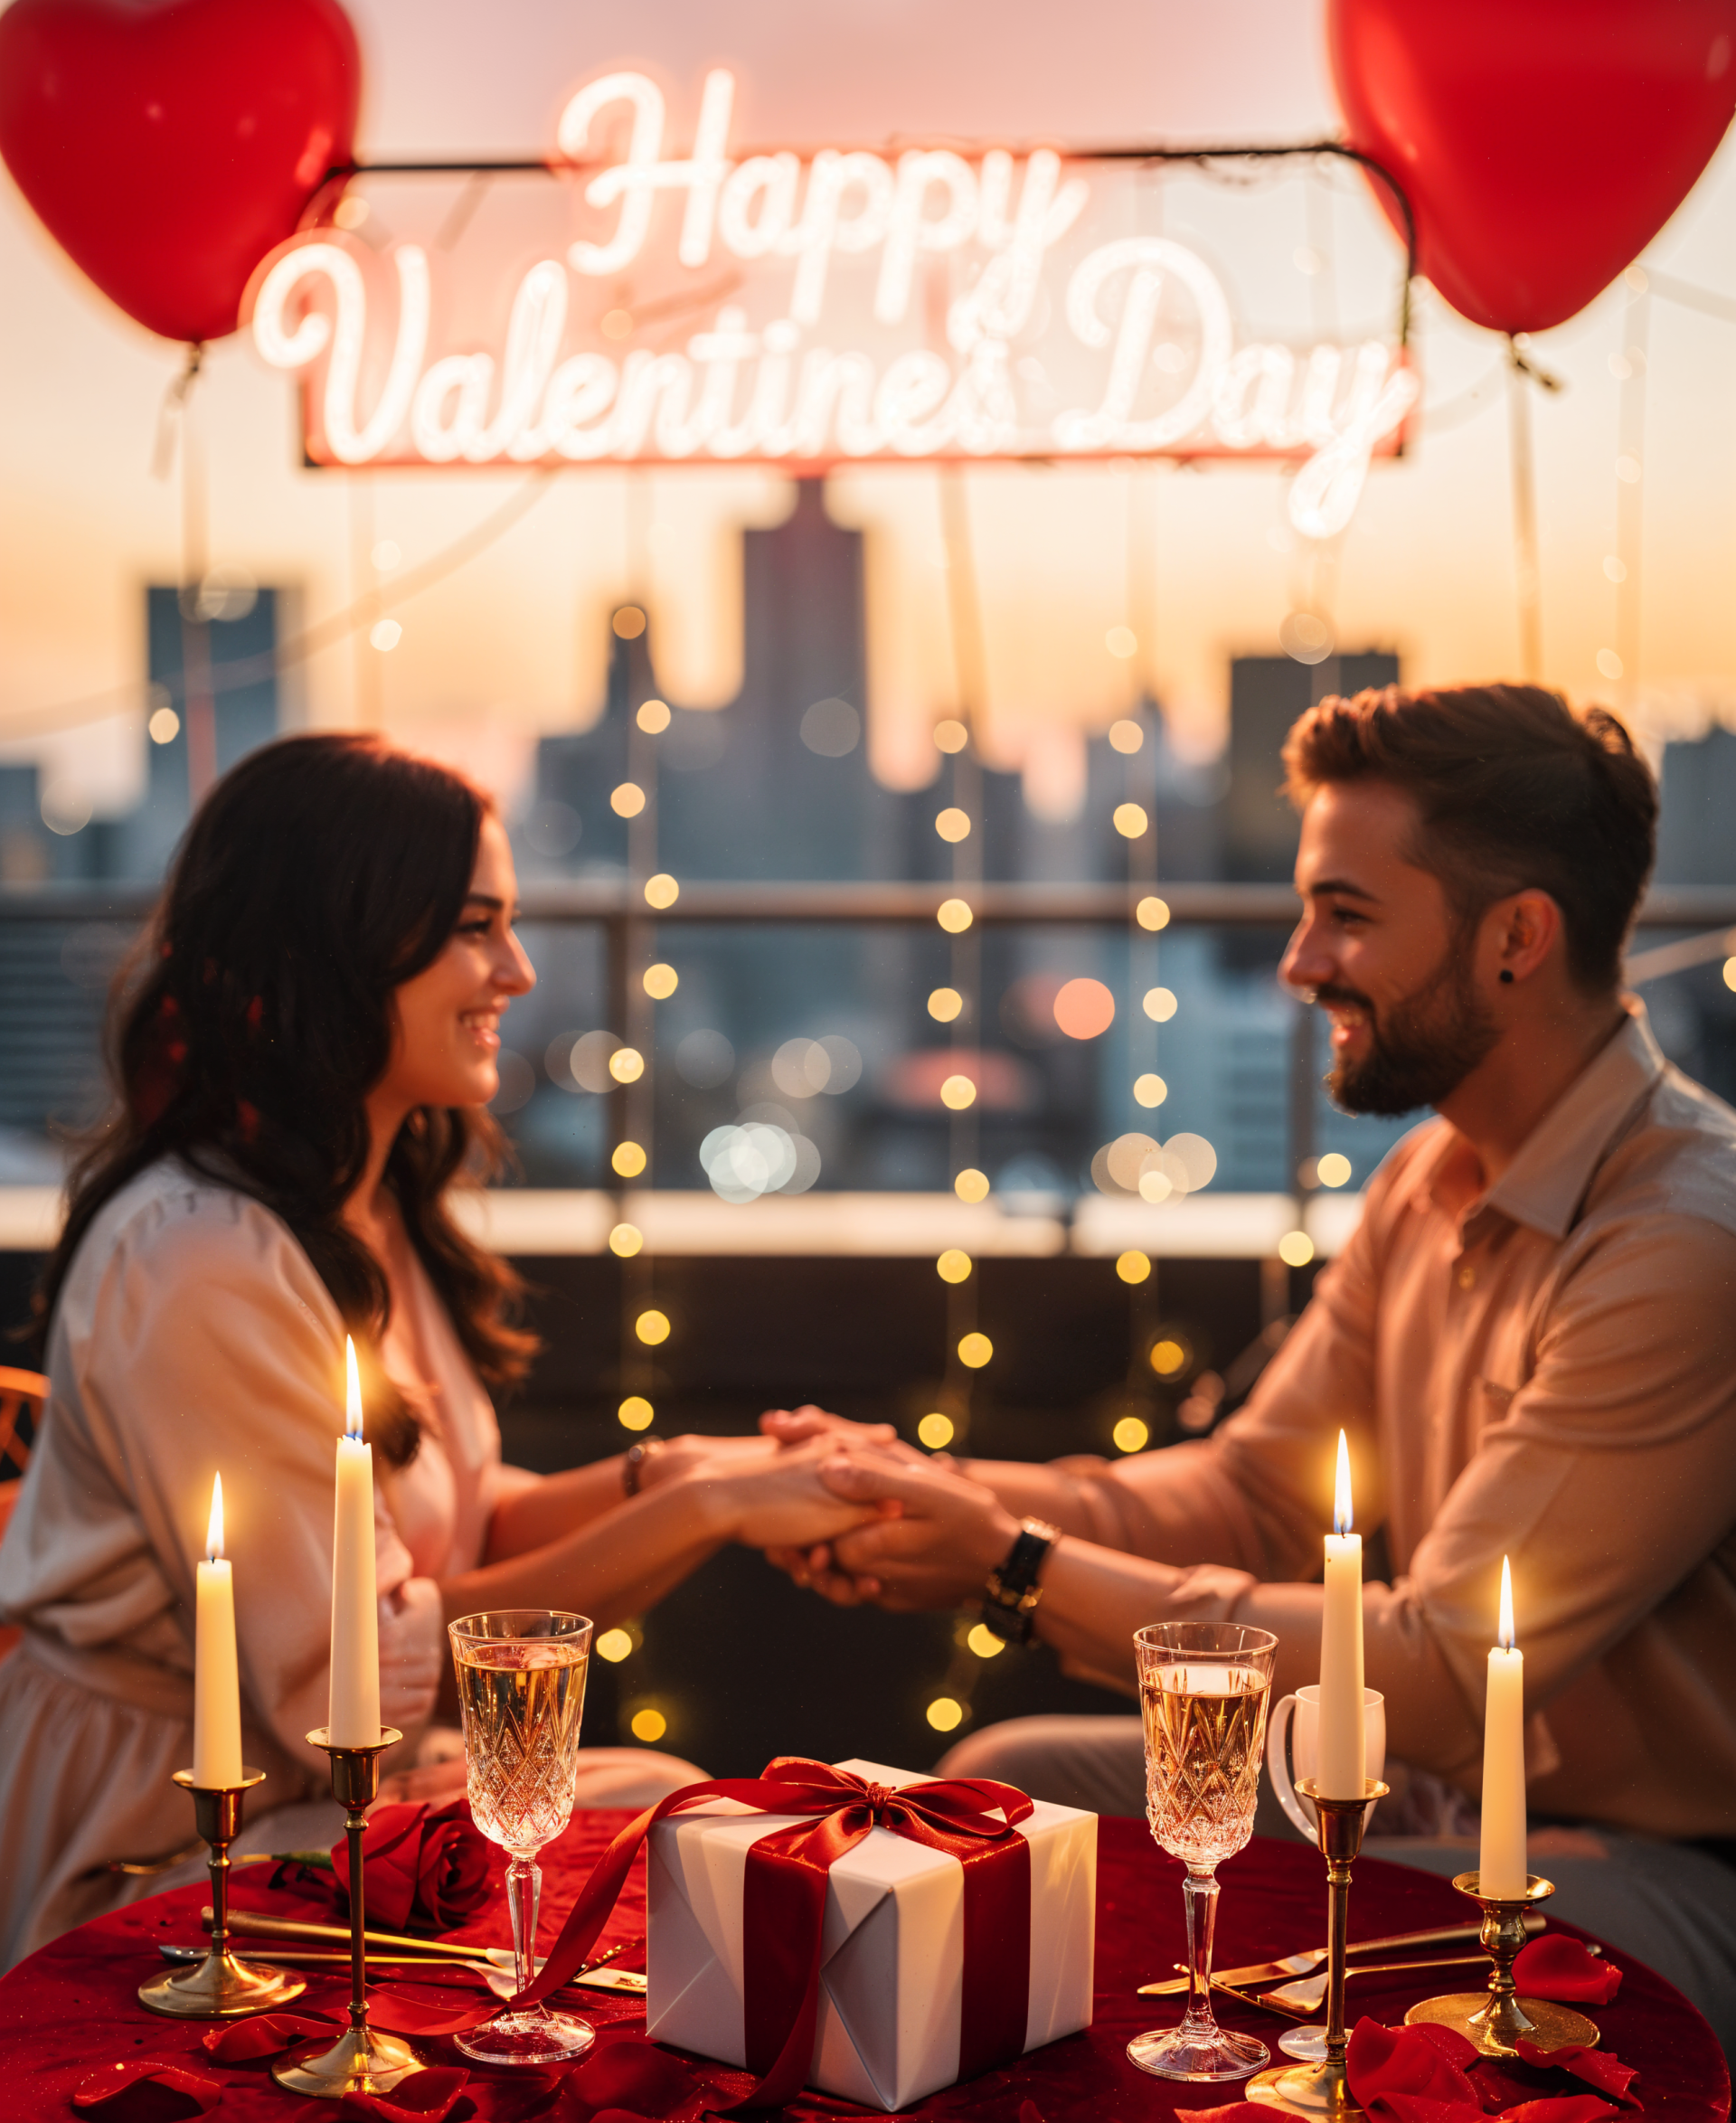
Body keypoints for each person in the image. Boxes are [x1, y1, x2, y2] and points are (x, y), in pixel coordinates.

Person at [766, 682, 1736, 2053]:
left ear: (1517, 937)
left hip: (1668, 1866)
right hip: (1439, 1796)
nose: (1298, 961)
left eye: (1346, 913)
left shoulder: (1685, 1238)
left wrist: (1015, 1567)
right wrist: (926, 1487)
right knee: (1002, 1797)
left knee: (1320, 1961)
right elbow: (1250, 1497)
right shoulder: (1431, 1176)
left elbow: (1451, 1671)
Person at [0, 733, 865, 1967]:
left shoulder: (368, 1198)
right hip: (176, 1834)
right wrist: (716, 1508)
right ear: (338, 946)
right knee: (673, 1874)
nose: (514, 971)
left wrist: (679, 1473)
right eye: (473, 927)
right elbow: (344, 1682)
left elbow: (450, 1526)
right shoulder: (201, 1260)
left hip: (333, 1792)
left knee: (684, 1819)